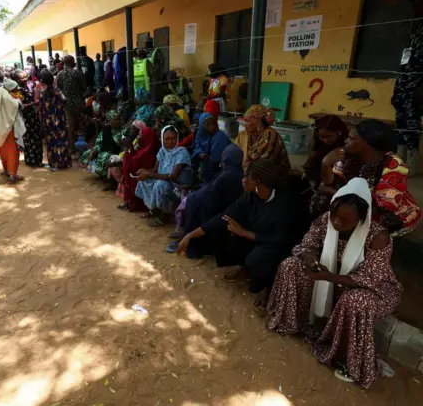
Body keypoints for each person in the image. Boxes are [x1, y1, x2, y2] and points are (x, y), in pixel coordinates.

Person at [268, 178, 401, 389]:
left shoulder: (378, 237)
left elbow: (370, 279)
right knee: (290, 266)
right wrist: (310, 258)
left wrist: (330, 278)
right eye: (335, 216)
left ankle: (347, 359)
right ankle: (293, 322)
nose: (337, 223)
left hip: (371, 289)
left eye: (346, 220)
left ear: (361, 218)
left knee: (356, 301)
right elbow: (306, 245)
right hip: (330, 278)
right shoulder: (325, 221)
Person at [177, 159, 307, 295]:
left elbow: (282, 241)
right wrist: (189, 235)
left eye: (246, 177)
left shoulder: (284, 204)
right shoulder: (251, 196)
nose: (242, 180)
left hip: (281, 247)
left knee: (258, 259)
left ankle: (270, 289)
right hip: (260, 237)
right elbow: (224, 217)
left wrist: (244, 233)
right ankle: (244, 268)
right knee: (222, 230)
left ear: (258, 181)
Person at [312, 119, 421, 236]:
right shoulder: (347, 156)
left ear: (367, 143)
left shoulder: (393, 165)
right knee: (320, 201)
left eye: (352, 138)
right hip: (353, 202)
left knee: (379, 224)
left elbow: (383, 205)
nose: (346, 141)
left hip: (384, 209)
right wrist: (325, 164)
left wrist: (334, 192)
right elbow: (329, 182)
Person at [172, 144, 245, 256]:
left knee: (192, 203)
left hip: (216, 212)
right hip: (221, 210)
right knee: (192, 199)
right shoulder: (237, 173)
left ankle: (190, 241)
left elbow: (211, 198)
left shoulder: (226, 176)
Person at [136, 126, 193, 227]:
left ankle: (165, 215)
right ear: (162, 139)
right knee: (144, 179)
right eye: (167, 139)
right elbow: (154, 170)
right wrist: (144, 171)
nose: (170, 142)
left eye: (173, 138)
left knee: (160, 185)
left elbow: (173, 176)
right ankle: (155, 209)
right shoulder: (162, 151)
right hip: (162, 179)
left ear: (177, 138)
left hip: (177, 187)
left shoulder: (182, 152)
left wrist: (150, 174)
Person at [391, 0, 423, 172]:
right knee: (400, 115)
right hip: (405, 78)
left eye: (419, 2)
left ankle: (414, 157)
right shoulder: (415, 27)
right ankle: (400, 156)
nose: (416, 6)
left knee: (411, 117)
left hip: (418, 80)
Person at [117, 125, 160, 212]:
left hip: (143, 177)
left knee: (130, 177)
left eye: (140, 135)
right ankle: (129, 202)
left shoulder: (147, 152)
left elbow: (130, 166)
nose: (138, 137)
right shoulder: (144, 148)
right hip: (139, 175)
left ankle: (134, 204)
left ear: (146, 138)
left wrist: (127, 150)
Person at [238, 105, 290, 174]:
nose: (245, 125)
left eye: (247, 121)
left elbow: (259, 164)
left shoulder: (270, 135)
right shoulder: (248, 134)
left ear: (258, 121)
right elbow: (235, 152)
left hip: (272, 176)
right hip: (252, 173)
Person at [302, 114, 348, 187]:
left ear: (339, 133)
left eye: (329, 137)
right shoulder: (317, 142)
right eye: (321, 136)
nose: (324, 140)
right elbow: (310, 165)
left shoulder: (345, 145)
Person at [39, 70, 72, 170]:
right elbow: (65, 100)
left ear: (43, 82)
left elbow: (41, 109)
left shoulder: (42, 93)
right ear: (53, 80)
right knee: (62, 140)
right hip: (60, 119)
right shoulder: (58, 91)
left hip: (49, 121)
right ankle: (64, 163)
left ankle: (54, 163)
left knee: (51, 141)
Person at [11, 70, 43, 167]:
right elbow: (20, 106)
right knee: (31, 139)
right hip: (27, 118)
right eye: (22, 78)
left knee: (34, 139)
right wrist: (34, 103)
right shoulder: (17, 90)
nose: (25, 79)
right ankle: (33, 161)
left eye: (26, 77)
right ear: (16, 79)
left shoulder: (26, 86)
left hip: (32, 116)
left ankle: (33, 160)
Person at [81, 109, 123, 178]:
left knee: (104, 156)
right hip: (105, 149)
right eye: (115, 120)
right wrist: (95, 150)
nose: (118, 122)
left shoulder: (122, 131)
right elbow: (99, 142)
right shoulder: (106, 130)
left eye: (119, 120)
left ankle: (107, 177)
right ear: (110, 121)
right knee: (88, 153)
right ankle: (100, 174)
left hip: (116, 152)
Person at [56, 55, 86, 153]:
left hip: (67, 104)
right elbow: (84, 88)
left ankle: (72, 147)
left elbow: (59, 89)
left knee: (70, 125)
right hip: (79, 103)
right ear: (71, 62)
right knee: (81, 124)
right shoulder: (77, 73)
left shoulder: (59, 74)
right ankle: (82, 146)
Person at [191, 113, 231, 183]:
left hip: (221, 170)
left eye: (213, 123)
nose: (212, 127)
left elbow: (216, 161)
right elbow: (197, 145)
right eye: (208, 124)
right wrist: (200, 153)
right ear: (201, 126)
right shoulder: (200, 134)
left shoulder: (219, 137)